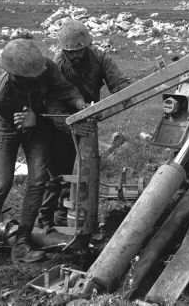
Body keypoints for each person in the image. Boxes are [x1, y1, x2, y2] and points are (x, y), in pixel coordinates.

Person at [0, 39, 87, 272]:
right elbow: (22, 123)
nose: (34, 80)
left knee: (39, 180)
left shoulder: (45, 67)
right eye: (27, 78)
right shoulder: (0, 95)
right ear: (13, 74)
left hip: (38, 125)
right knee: (2, 184)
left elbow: (66, 89)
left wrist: (81, 105)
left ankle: (21, 245)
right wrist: (34, 119)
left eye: (36, 76)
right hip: (7, 128)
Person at [37, 19, 130, 229]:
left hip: (87, 117)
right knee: (58, 171)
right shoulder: (58, 64)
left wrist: (121, 96)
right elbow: (53, 107)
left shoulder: (100, 57)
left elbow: (120, 84)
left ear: (87, 45)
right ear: (64, 50)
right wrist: (71, 125)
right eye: (71, 52)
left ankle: (73, 212)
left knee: (83, 169)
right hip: (61, 123)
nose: (77, 55)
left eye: (80, 50)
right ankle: (48, 218)